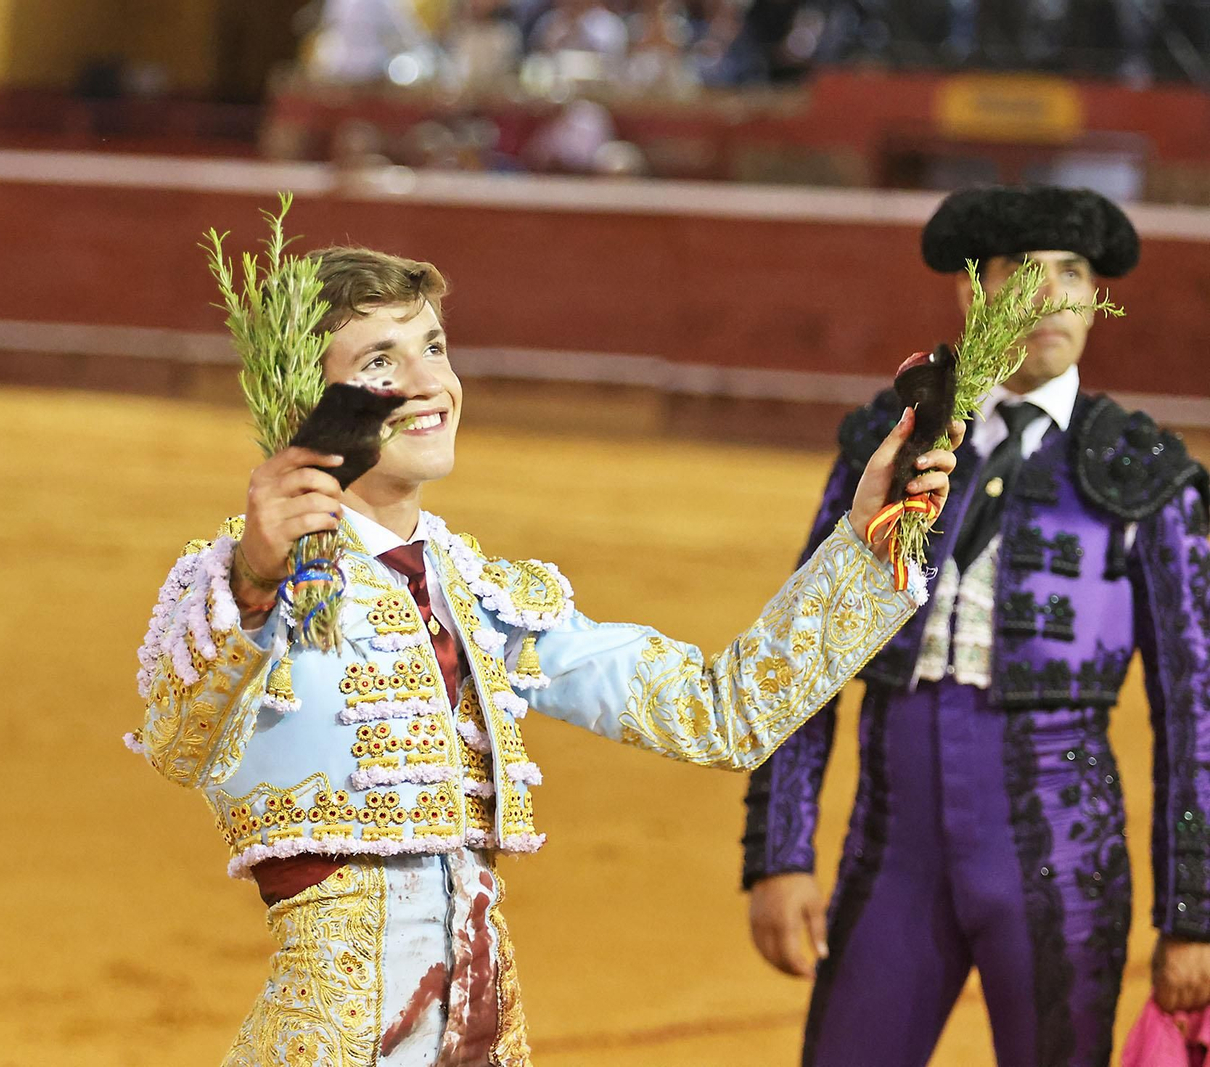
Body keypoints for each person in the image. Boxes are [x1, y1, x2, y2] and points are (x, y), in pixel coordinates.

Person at [130, 244, 959, 1066]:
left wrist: (868, 538)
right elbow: (178, 737)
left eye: (435, 347)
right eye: (383, 360)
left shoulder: (486, 599)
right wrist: (253, 580)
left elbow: (722, 712)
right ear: (311, 400)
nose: (430, 384)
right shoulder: (247, 585)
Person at [742, 184, 1210, 1066]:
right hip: (891, 857)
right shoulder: (896, 444)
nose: (1054, 294)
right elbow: (803, 648)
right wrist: (780, 852)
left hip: (1061, 868)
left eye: (1073, 271)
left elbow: (1198, 710)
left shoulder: (1144, 472)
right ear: (973, 293)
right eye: (1023, 271)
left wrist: (1197, 914)